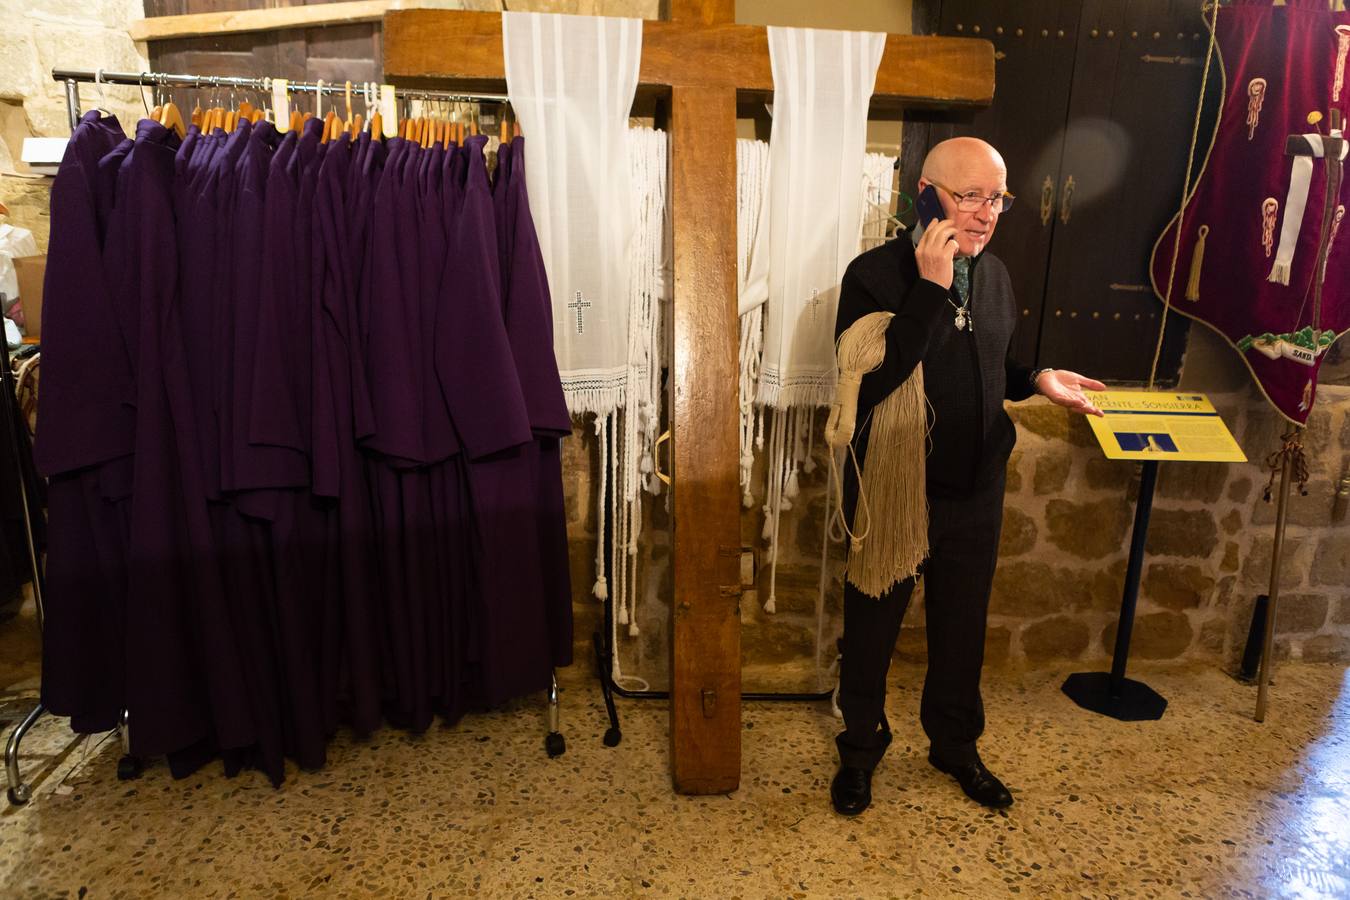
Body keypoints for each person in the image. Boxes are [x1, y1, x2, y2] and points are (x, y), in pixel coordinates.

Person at [830, 137, 1105, 815]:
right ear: (926, 194)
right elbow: (870, 385)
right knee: (871, 634)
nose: (986, 214)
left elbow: (998, 366)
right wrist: (927, 292)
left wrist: (1038, 377)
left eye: (997, 198)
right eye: (970, 195)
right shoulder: (871, 276)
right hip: (895, 493)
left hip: (974, 491)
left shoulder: (997, 276)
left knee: (961, 633)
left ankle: (954, 746)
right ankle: (860, 750)